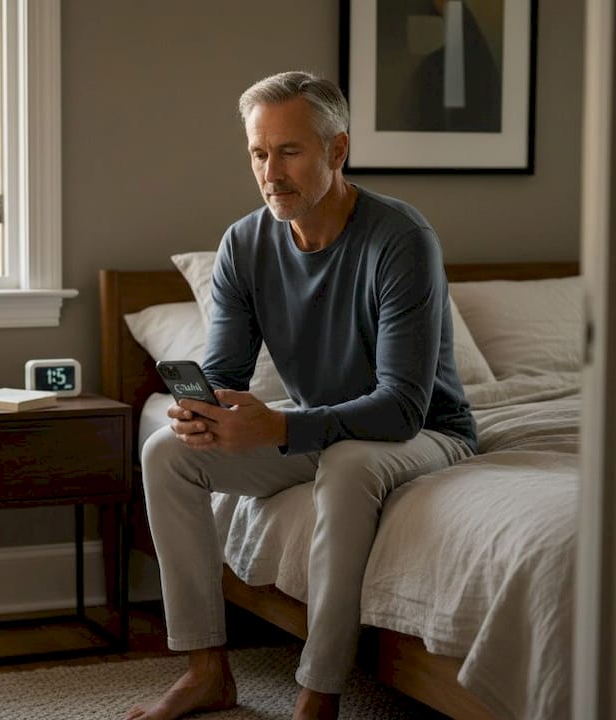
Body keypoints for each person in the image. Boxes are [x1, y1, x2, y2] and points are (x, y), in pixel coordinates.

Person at [124, 71, 477, 720]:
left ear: (337, 151)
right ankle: (208, 671)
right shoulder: (244, 244)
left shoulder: (400, 239)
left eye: (289, 151)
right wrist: (205, 412)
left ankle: (318, 693)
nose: (270, 172)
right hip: (321, 426)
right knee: (164, 453)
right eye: (259, 153)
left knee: (345, 466)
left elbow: (401, 407)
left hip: (425, 429)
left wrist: (281, 430)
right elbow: (226, 371)